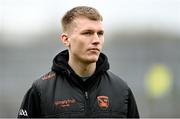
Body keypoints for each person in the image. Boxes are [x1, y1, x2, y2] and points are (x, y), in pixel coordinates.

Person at [18, 6, 139, 118]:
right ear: (66, 39)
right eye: (87, 33)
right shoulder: (41, 90)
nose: (96, 40)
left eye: (100, 33)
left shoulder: (121, 89)